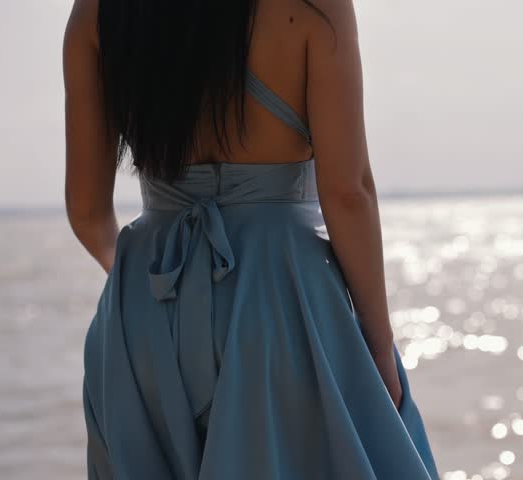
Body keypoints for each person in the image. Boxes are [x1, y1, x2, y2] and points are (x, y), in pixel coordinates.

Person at [62, 0, 440, 478]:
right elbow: (348, 194)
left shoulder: (97, 12)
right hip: (279, 296)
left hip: (143, 305)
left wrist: (145, 289)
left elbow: (87, 211)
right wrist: (379, 347)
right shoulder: (313, 7)